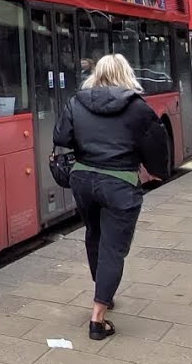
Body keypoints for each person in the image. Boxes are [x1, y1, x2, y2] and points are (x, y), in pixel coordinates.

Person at [55, 54, 169, 341]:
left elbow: (62, 137)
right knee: (113, 247)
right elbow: (155, 145)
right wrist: (157, 172)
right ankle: (98, 316)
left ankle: (102, 289)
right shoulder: (137, 107)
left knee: (94, 235)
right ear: (126, 73)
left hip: (82, 180)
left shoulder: (76, 101)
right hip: (120, 183)